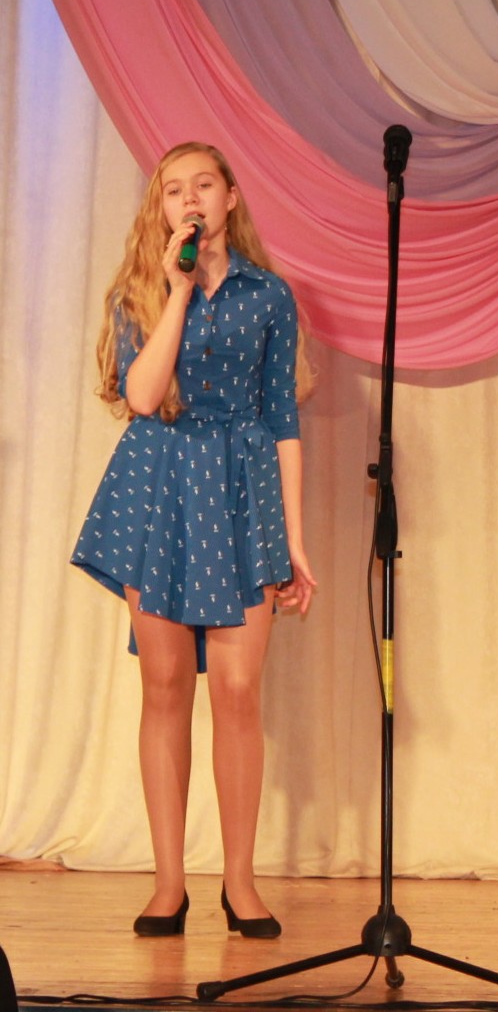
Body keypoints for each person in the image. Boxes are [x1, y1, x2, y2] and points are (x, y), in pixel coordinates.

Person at [71, 141, 316, 939]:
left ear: (229, 199)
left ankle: (239, 884)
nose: (189, 199)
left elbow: (283, 420)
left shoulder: (270, 296)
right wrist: (176, 291)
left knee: (239, 691)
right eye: (173, 189)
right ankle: (169, 885)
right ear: (162, 209)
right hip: (160, 488)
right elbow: (143, 397)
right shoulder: (140, 291)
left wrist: (295, 543)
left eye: (203, 184)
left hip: (241, 490)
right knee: (166, 685)